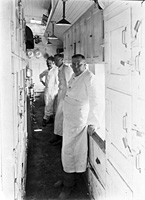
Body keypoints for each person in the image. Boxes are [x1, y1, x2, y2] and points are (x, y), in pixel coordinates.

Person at [55, 54, 101, 199]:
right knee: (66, 150)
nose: (75, 67)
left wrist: (93, 122)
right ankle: (66, 179)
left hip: (78, 121)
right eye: (73, 64)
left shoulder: (89, 78)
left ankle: (69, 185)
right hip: (69, 119)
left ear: (85, 64)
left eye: (78, 64)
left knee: (71, 151)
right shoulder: (75, 76)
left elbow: (96, 101)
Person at [49, 53, 73, 145]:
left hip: (65, 95)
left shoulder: (66, 69)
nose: (55, 62)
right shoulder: (59, 69)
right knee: (58, 116)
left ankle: (61, 138)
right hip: (61, 93)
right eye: (54, 60)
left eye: (57, 60)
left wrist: (68, 98)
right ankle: (57, 135)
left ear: (62, 59)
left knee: (61, 116)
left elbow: (69, 84)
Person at [39, 56, 58, 127]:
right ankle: (46, 118)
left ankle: (52, 119)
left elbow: (58, 82)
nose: (48, 64)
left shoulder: (56, 70)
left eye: (50, 63)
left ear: (53, 63)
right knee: (47, 104)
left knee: (54, 105)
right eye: (47, 63)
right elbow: (40, 75)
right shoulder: (47, 71)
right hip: (47, 90)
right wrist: (43, 83)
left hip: (54, 90)